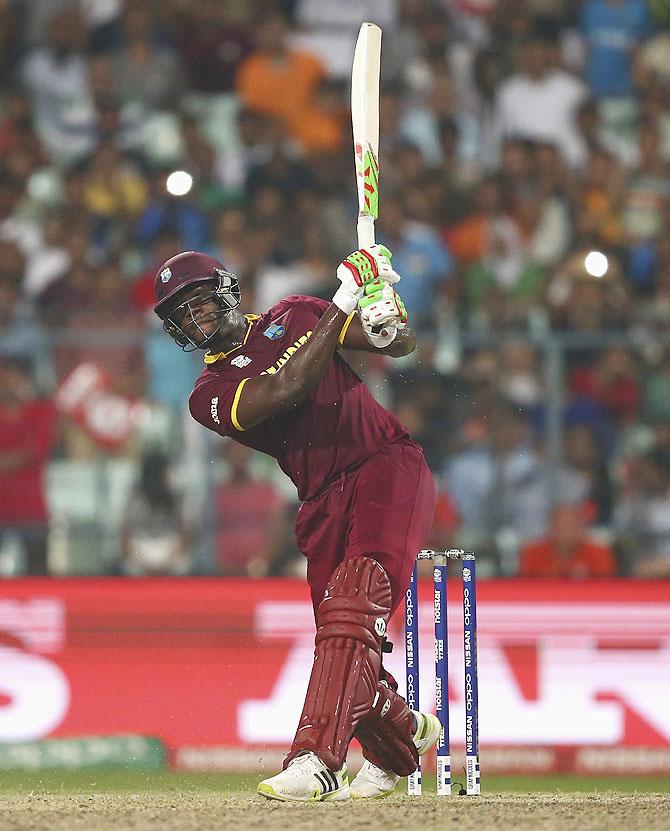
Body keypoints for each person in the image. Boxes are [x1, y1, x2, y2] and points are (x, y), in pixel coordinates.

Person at [153, 246, 438, 801]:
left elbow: (400, 345)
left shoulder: (298, 313)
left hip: (385, 466)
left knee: (353, 612)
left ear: (225, 288)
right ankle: (403, 742)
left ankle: (314, 760)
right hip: (320, 501)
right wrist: (345, 298)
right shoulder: (206, 396)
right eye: (180, 312)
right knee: (344, 638)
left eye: (198, 299)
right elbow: (288, 389)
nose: (195, 315)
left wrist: (383, 314)